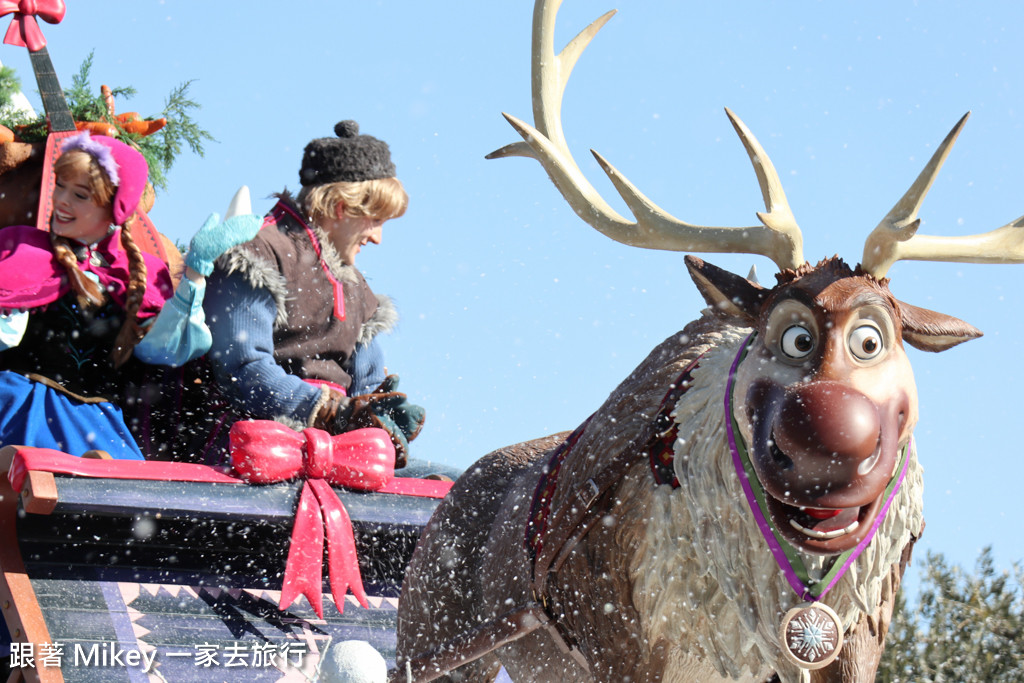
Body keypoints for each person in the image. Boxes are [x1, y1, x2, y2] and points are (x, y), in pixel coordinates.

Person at [0, 131, 260, 459]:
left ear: (115, 209)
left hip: (95, 424)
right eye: (61, 186)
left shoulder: (139, 276)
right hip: (19, 406)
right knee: (22, 468)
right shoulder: (19, 248)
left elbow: (165, 351)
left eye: (80, 195)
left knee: (115, 485)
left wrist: (195, 273)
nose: (62, 200)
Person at [202, 120, 424, 467]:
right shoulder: (259, 252)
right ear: (341, 208)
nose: (378, 238)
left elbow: (366, 390)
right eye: (375, 220)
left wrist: (382, 414)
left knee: (460, 490)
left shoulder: (358, 292)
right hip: (252, 450)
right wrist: (328, 410)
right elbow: (243, 370)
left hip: (341, 456)